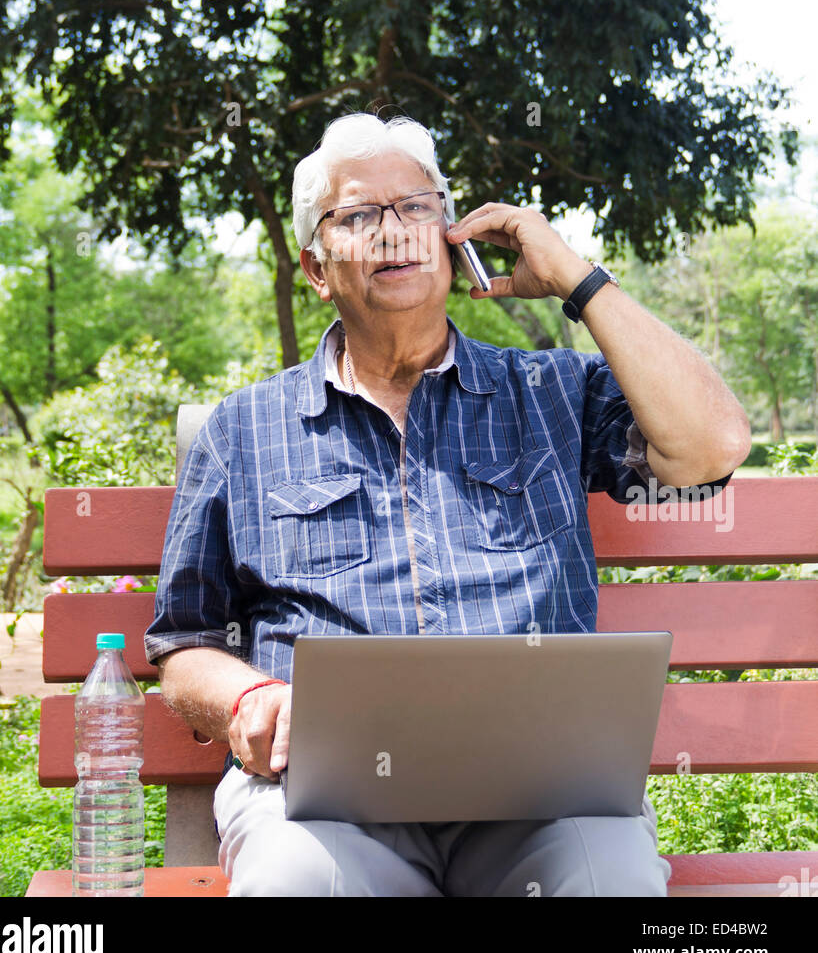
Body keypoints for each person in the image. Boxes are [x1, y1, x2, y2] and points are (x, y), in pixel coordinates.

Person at [144, 112, 750, 897]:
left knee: (610, 881)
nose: (394, 231)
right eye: (359, 216)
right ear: (317, 268)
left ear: (450, 235)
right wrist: (247, 697)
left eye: (417, 207)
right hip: (324, 806)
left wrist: (577, 278)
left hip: (542, 795)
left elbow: (714, 449)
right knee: (294, 883)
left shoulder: (552, 392)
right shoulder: (244, 429)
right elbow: (184, 641)